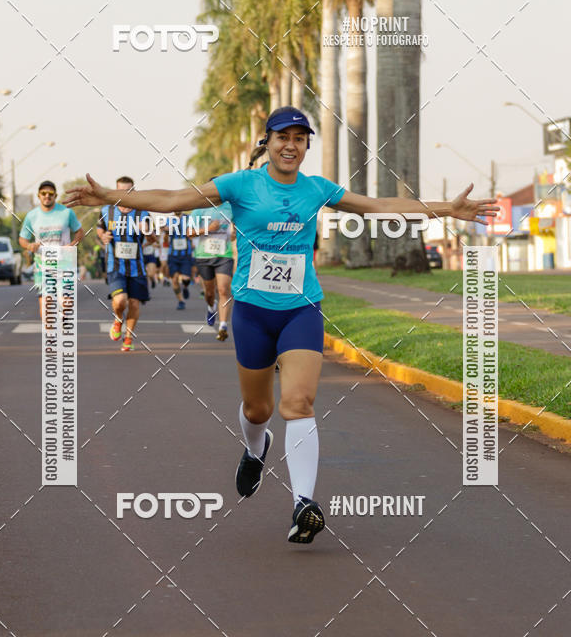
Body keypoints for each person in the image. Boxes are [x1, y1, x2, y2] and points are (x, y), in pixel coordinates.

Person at [65, 106, 497, 544]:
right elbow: (175, 200)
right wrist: (111, 198)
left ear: (307, 145)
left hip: (300, 310)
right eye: (282, 137)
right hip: (252, 312)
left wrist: (447, 209)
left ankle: (302, 504)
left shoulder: (316, 190)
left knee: (299, 402)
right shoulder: (241, 184)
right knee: (259, 410)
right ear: (266, 143)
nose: (291, 145)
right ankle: (256, 448)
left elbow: (380, 206)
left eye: (299, 138)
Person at [96, 175, 150, 352]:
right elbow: (99, 230)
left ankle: (128, 338)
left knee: (134, 304)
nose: (125, 193)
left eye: (129, 190)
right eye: (121, 190)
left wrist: (147, 232)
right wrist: (103, 236)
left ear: (133, 192)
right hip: (115, 264)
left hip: (137, 267)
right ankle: (118, 319)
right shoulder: (106, 211)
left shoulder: (143, 213)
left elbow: (152, 238)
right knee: (120, 302)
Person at [19, 180, 83, 319]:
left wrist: (72, 245)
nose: (47, 196)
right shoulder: (32, 216)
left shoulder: (66, 212)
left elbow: (79, 231)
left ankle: (62, 315)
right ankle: (51, 336)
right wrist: (29, 245)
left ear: (55, 195)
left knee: (67, 303)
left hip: (64, 264)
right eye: (43, 193)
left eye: (50, 193)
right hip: (43, 266)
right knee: (47, 304)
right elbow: (22, 239)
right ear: (38, 195)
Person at [189, 193, 235, 340]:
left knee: (223, 290)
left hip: (224, 255)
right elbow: (189, 233)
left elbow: (240, 226)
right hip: (204, 256)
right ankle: (211, 308)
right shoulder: (199, 210)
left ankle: (223, 326)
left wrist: (235, 233)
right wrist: (208, 229)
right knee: (209, 293)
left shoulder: (231, 208)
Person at [166, 213, 193, 310]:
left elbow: (193, 232)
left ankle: (185, 287)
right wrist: (165, 230)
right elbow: (166, 236)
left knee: (186, 278)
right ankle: (181, 301)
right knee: (174, 280)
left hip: (186, 254)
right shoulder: (169, 219)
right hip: (173, 254)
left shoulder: (188, 218)